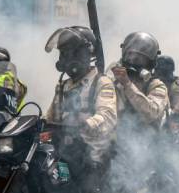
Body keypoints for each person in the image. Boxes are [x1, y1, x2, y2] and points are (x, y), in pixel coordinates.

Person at [44, 26, 117, 193]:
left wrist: (88, 123)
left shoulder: (101, 82)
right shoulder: (64, 85)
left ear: (82, 54)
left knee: (85, 189)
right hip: (65, 154)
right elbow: (52, 117)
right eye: (62, 54)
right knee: (56, 185)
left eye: (67, 53)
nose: (64, 58)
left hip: (93, 154)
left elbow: (108, 115)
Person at [109, 32, 168, 192]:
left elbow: (152, 112)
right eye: (131, 56)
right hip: (115, 153)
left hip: (145, 156)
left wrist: (128, 84)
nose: (133, 62)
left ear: (150, 62)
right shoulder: (113, 83)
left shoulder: (156, 86)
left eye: (140, 59)